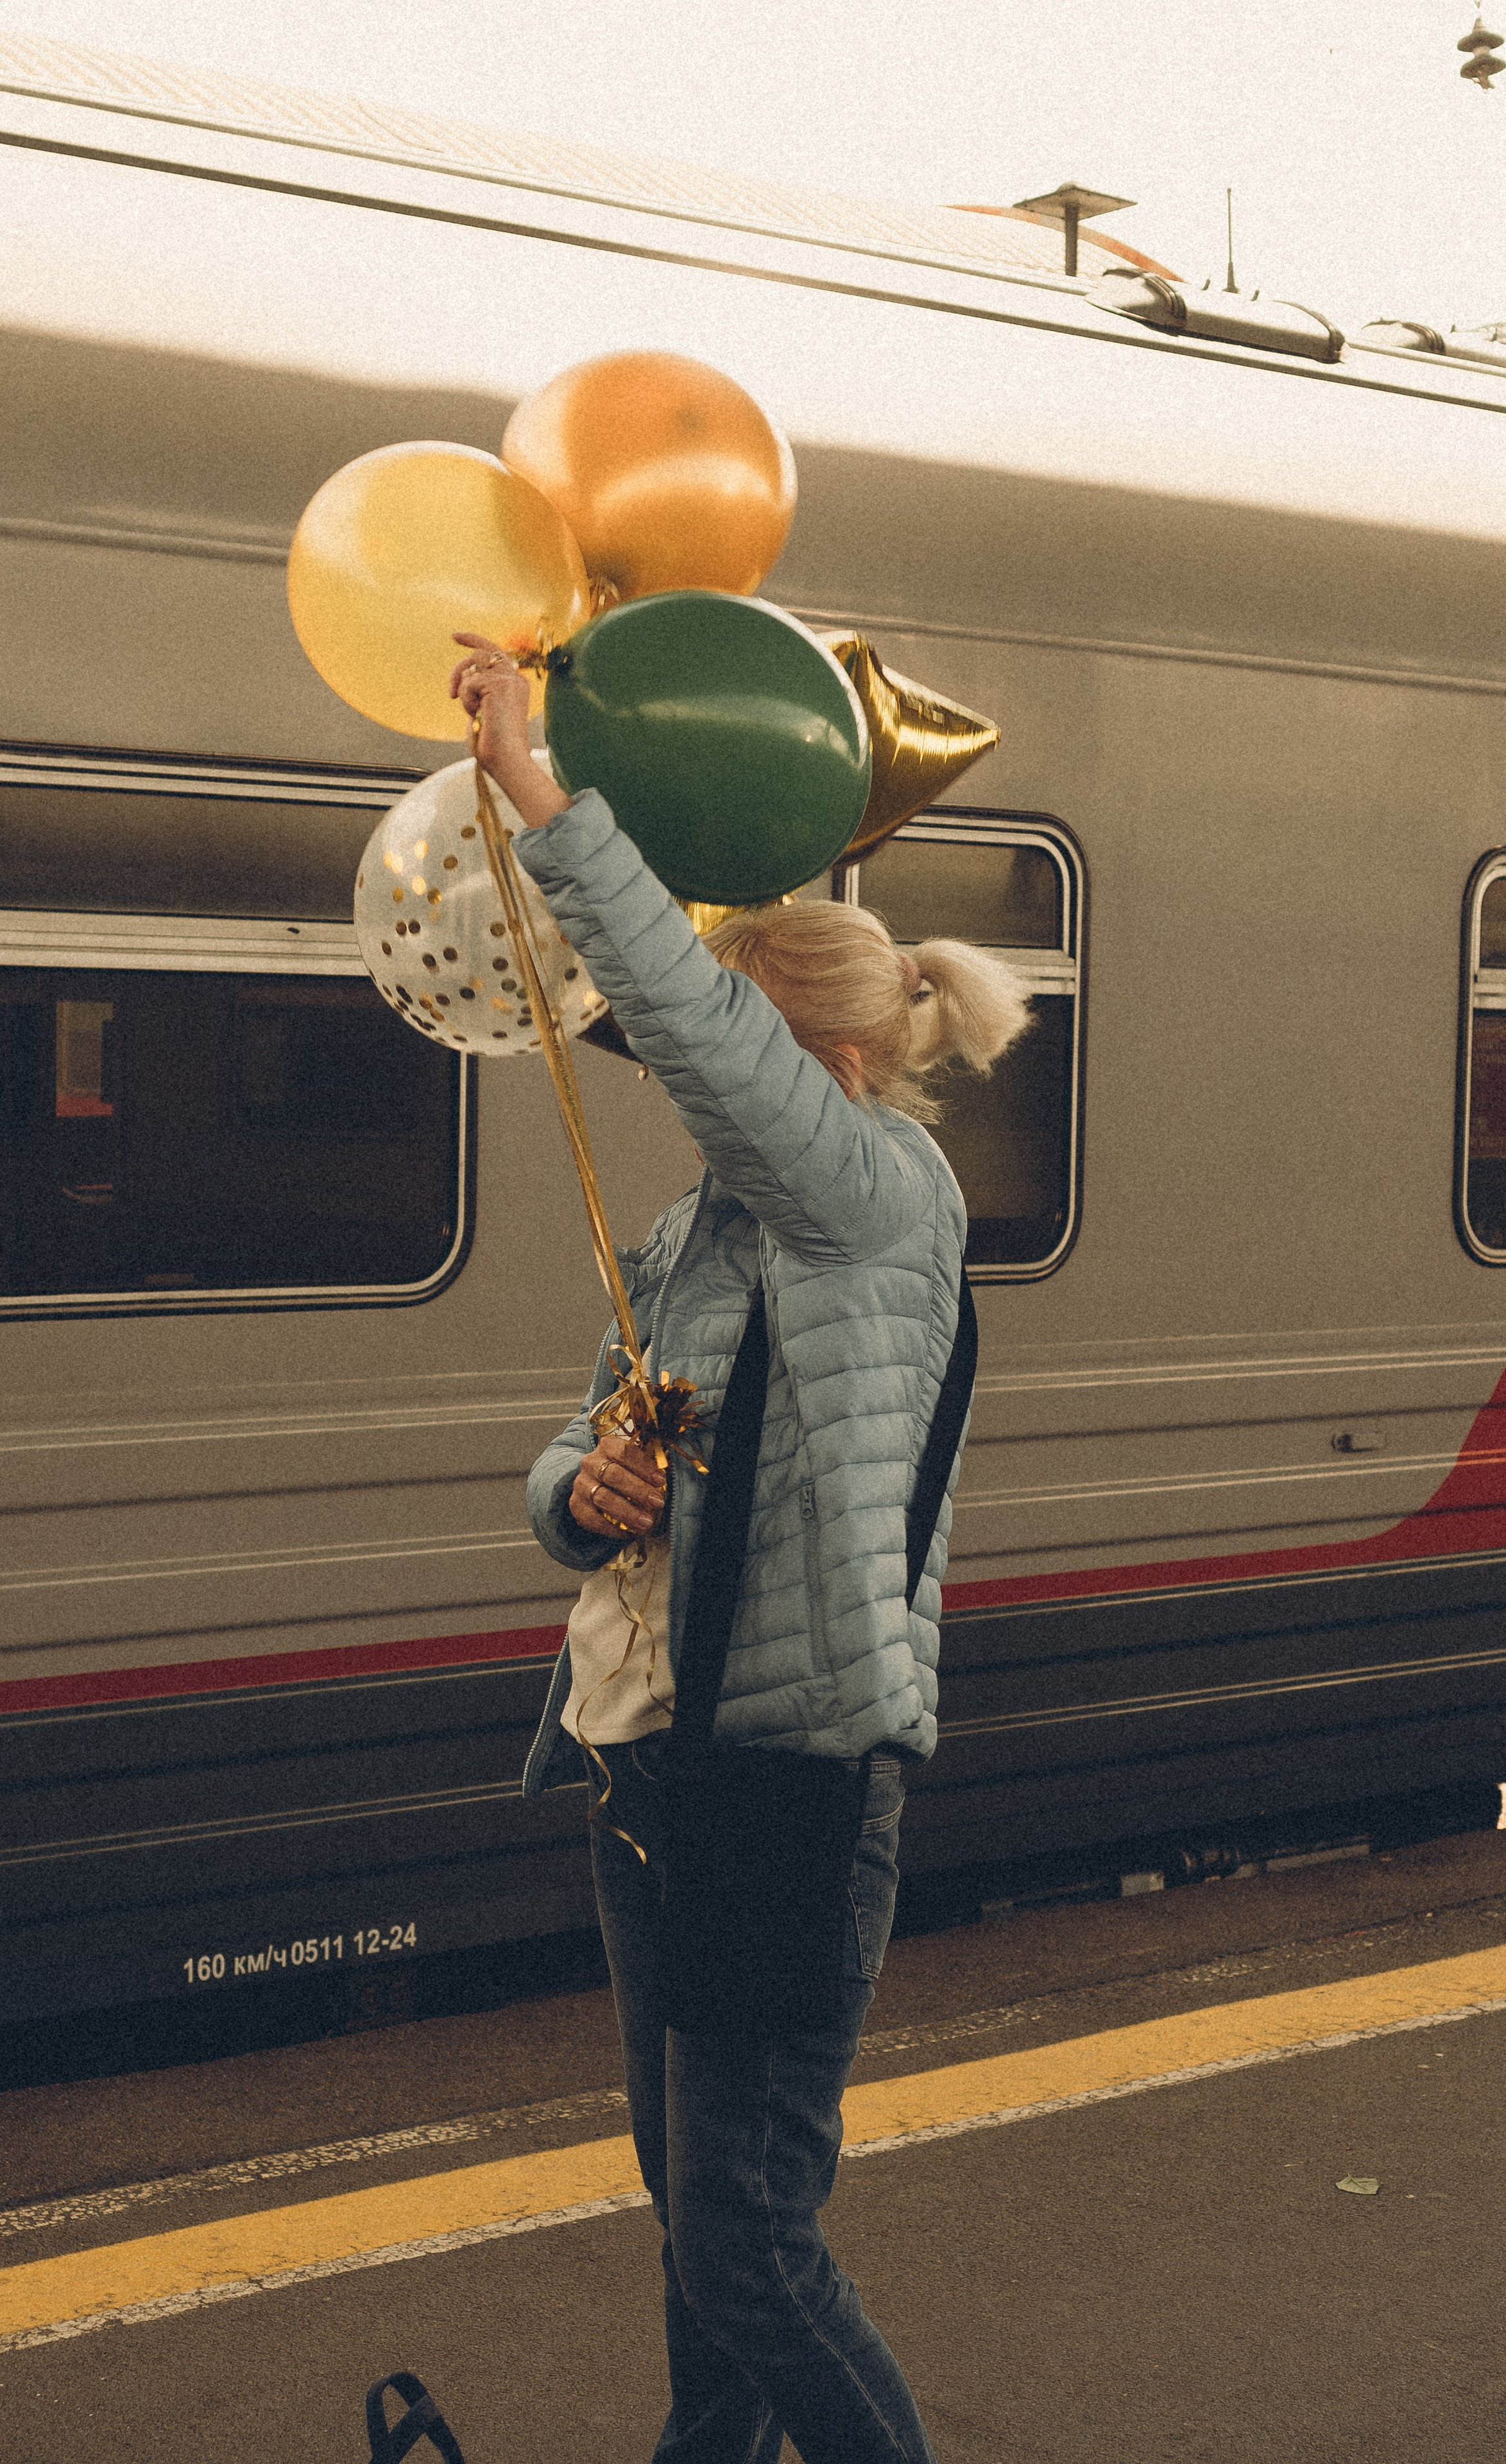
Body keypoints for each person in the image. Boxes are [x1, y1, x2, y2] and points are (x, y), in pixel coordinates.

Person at [452, 632, 1029, 2464]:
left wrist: (546, 798)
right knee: (697, 2237)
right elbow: (588, 1432)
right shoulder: (708, 1237)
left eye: (735, 1054)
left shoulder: (878, 1201)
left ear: (830, 1060)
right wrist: (584, 1490)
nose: (688, 1084)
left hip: (789, 1776)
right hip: (655, 1771)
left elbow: (702, 1038)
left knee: (751, 2243)